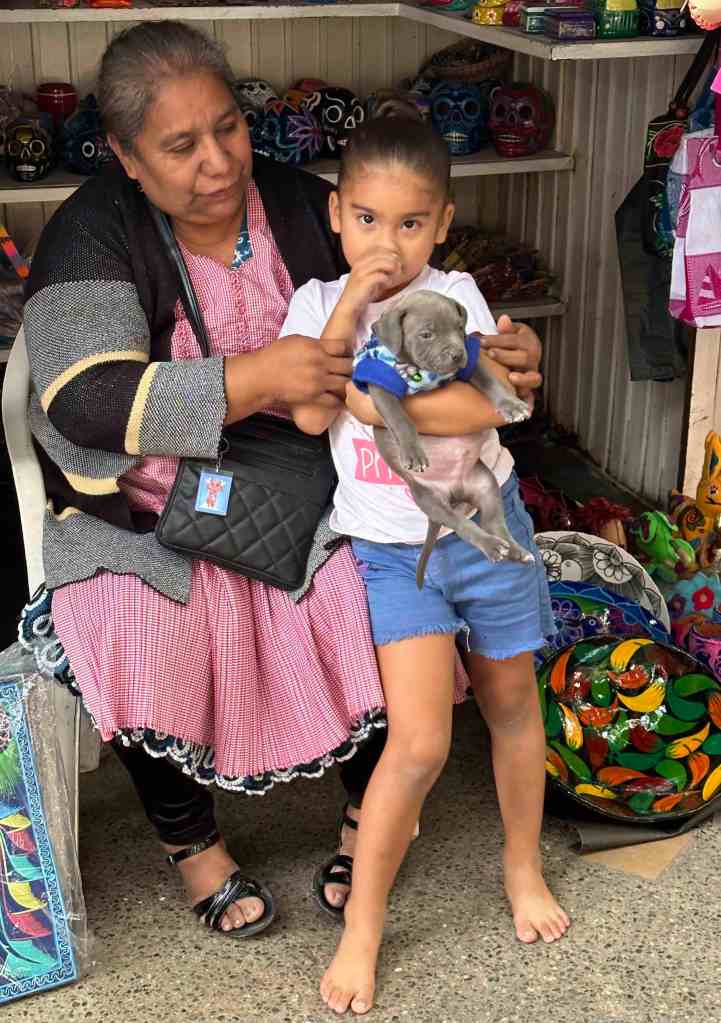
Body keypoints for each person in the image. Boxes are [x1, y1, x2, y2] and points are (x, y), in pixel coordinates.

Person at [22, 21, 545, 941]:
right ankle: (192, 843)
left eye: (227, 127)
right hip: (153, 500)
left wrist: (504, 357)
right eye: (180, 146)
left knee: (371, 588)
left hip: (313, 476)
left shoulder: (312, 204)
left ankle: (366, 818)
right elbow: (84, 399)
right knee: (132, 618)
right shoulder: (92, 229)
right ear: (127, 158)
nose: (219, 161)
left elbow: (420, 320)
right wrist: (252, 378)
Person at [282, 110, 570, 1015]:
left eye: (410, 223)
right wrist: (349, 313)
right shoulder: (313, 305)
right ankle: (364, 925)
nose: (388, 244)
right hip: (392, 551)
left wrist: (370, 404)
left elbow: (486, 406)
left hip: (486, 530)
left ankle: (520, 865)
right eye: (368, 219)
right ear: (337, 214)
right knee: (418, 742)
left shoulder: (456, 296)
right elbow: (305, 410)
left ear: (441, 223)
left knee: (512, 703)